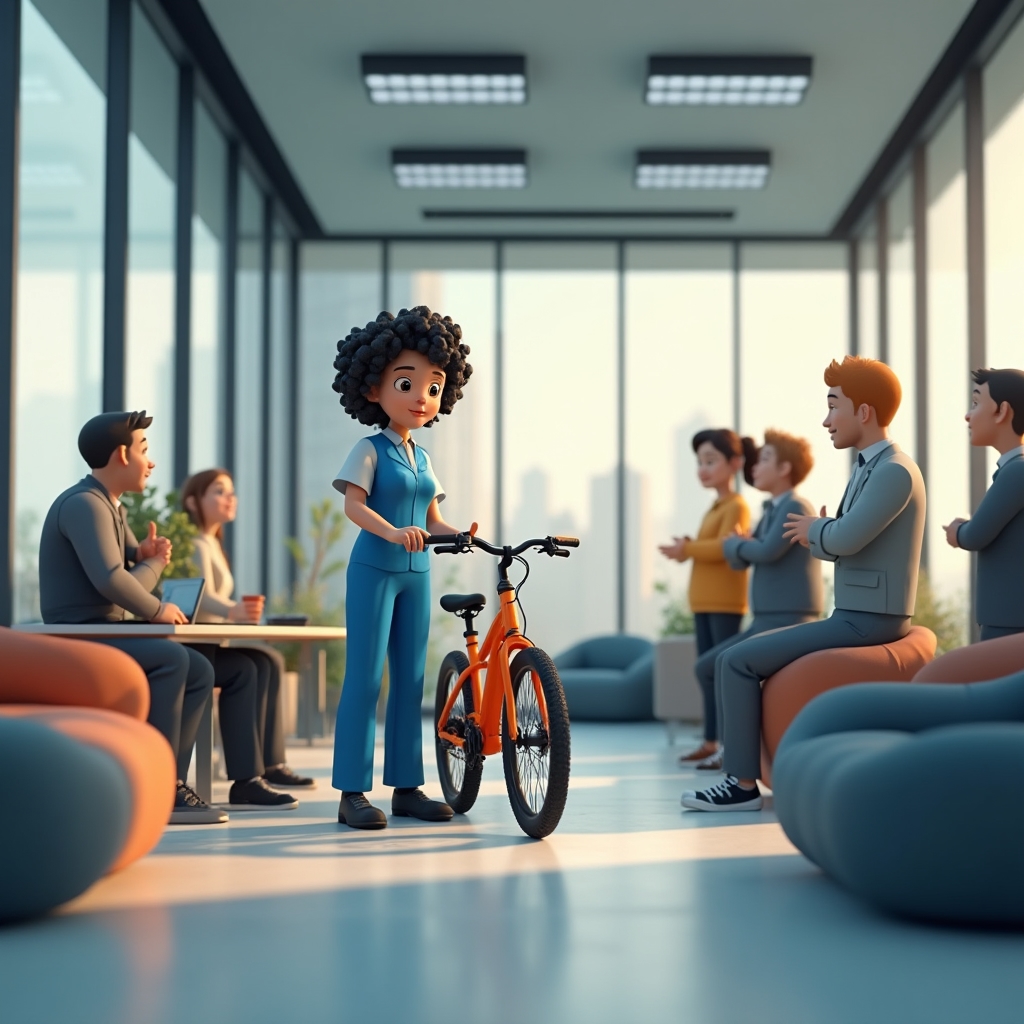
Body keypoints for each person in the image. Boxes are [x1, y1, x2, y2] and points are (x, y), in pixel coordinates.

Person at [682, 355, 925, 811]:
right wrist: (824, 533)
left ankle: (741, 785)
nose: (826, 420)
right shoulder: (870, 468)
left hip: (868, 620)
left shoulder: (893, 471)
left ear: (864, 412)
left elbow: (844, 538)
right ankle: (742, 775)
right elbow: (838, 543)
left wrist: (820, 529)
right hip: (854, 614)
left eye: (833, 407)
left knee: (735, 661)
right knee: (733, 659)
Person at [38, 411, 223, 825]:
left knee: (198, 668)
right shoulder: (84, 505)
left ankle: (170, 781)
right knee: (172, 660)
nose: (150, 462)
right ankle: (152, 786)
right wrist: (156, 602)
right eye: (144, 450)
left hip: (105, 629)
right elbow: (112, 580)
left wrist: (147, 558)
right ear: (122, 455)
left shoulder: (111, 507)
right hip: (79, 635)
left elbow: (130, 574)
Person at [330, 306, 473, 830]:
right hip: (375, 570)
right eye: (407, 383)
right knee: (365, 679)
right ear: (373, 388)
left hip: (417, 575)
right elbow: (354, 506)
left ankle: (407, 787)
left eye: (434, 387)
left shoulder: (424, 458)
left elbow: (431, 519)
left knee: (411, 682)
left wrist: (458, 535)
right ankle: (352, 791)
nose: (422, 398)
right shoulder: (368, 450)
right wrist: (391, 532)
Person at [687, 430, 825, 772]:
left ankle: (730, 750)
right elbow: (743, 559)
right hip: (765, 618)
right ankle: (726, 746)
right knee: (708, 666)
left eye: (764, 459)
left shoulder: (795, 506)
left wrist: (737, 545)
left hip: (787, 618)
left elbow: (765, 552)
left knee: (719, 665)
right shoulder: (772, 510)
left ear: (784, 468)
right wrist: (741, 547)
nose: (754, 467)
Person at [180, 468, 315, 808]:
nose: (230, 498)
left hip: (211, 644)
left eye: (231, 491)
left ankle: (270, 765)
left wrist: (234, 611)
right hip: (196, 648)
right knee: (246, 668)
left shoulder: (213, 543)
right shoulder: (194, 543)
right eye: (219, 491)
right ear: (193, 502)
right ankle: (246, 779)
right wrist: (233, 610)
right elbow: (200, 595)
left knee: (268, 659)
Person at [659, 428, 754, 765]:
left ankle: (728, 745)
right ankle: (711, 741)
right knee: (708, 675)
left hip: (725, 603)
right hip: (705, 602)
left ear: (735, 463)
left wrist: (688, 549)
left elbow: (723, 548)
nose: (703, 469)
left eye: (711, 461)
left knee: (720, 676)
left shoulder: (736, 506)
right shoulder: (716, 507)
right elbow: (710, 547)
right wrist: (688, 548)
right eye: (700, 462)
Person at [943, 368, 1024, 641]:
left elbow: (976, 534)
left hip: (1008, 622)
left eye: (976, 403)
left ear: (1002, 412)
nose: (968, 415)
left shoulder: (1016, 472)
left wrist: (957, 531)